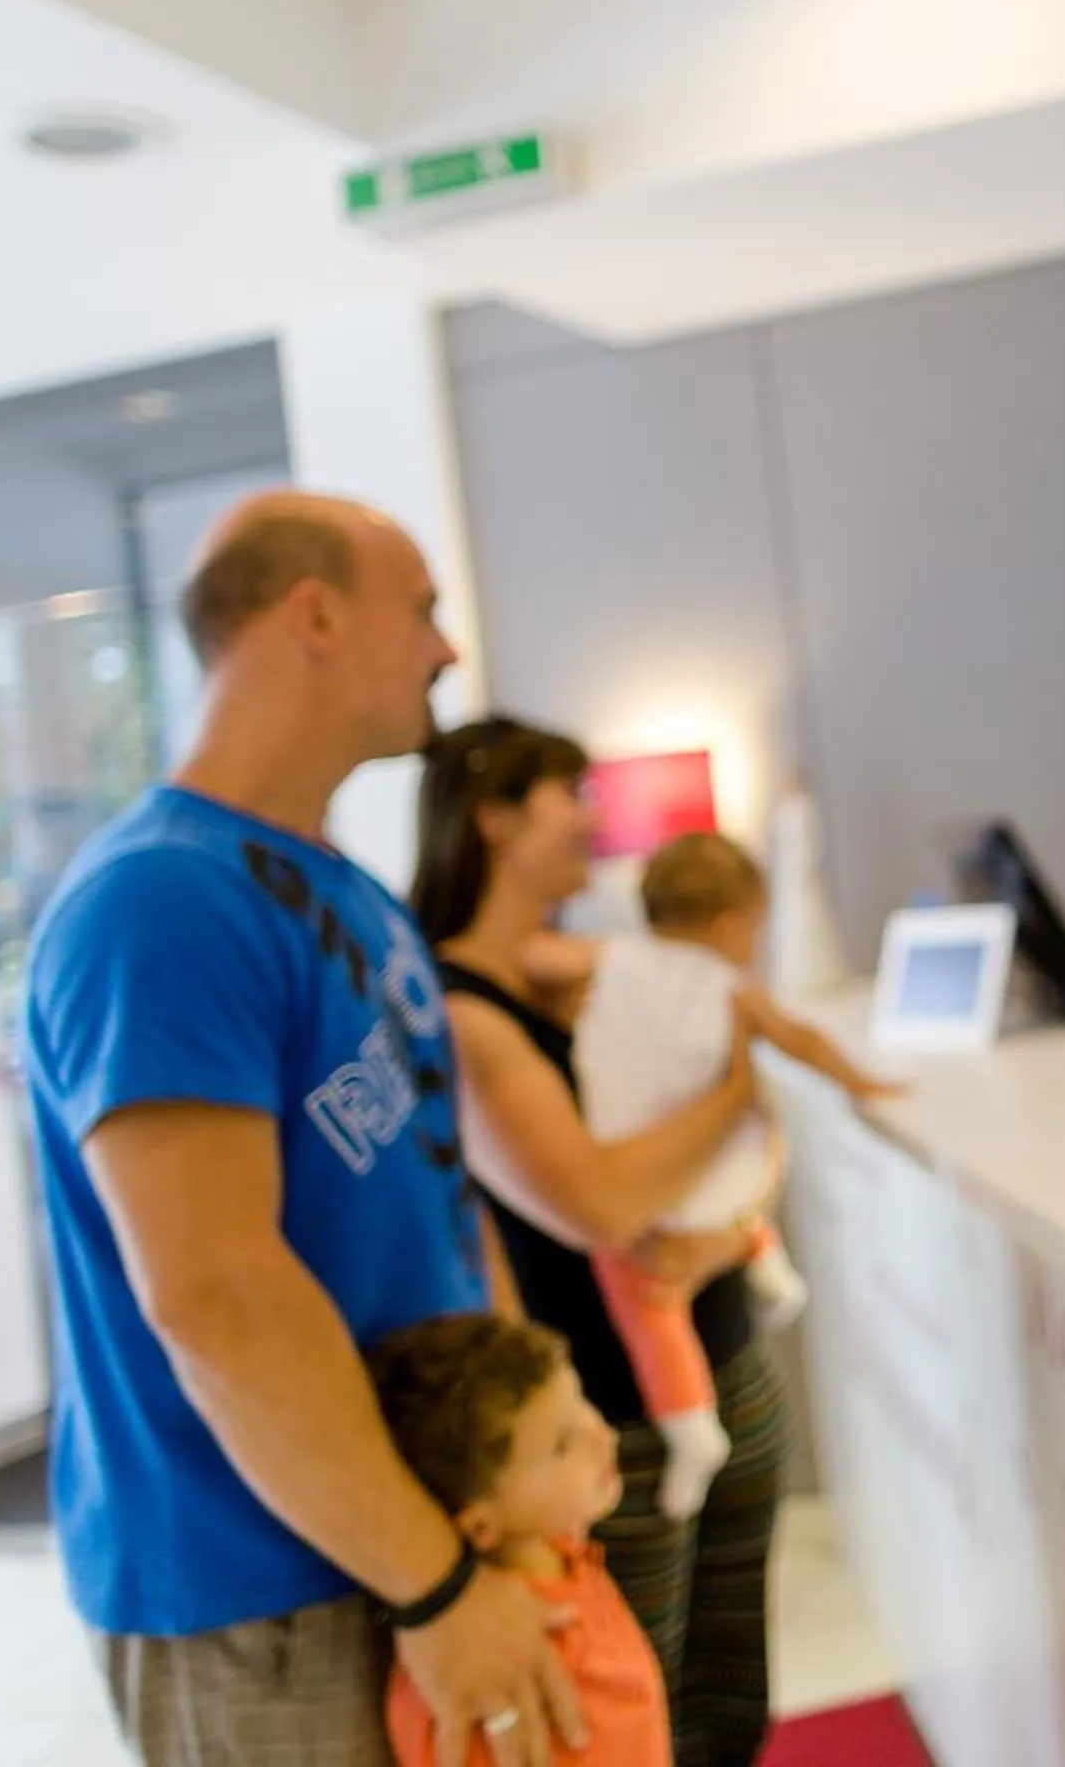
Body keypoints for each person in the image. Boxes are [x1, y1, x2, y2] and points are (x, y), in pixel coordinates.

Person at [25, 491, 586, 1767]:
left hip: (407, 1541)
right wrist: (435, 1581)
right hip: (265, 1586)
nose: (447, 652)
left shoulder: (345, 892)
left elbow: (429, 1199)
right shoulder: (159, 900)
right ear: (316, 613)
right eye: (425, 610)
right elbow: (215, 1294)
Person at [411, 717, 787, 1767]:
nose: (592, 816)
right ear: (492, 818)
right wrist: (743, 1082)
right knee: (634, 1714)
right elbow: (608, 1203)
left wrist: (723, 1235)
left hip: (726, 1358)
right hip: (604, 1425)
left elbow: (723, 1166)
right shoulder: (459, 1002)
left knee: (728, 1698)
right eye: (569, 794)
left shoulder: (593, 969)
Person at [580, 831, 898, 1522]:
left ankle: (692, 1416)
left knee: (646, 1301)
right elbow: (802, 1041)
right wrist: (862, 1084)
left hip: (644, 1181)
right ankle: (756, 1280)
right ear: (732, 924)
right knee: (687, 1254)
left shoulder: (613, 968)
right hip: (715, 1185)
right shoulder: (731, 988)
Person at [372, 1315, 668, 1767]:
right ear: (480, 1526)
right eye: (561, 1444)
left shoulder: (567, 1557)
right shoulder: (492, 1667)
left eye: (582, 1402)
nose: (602, 1434)